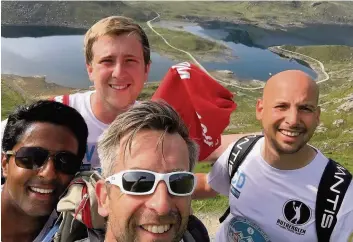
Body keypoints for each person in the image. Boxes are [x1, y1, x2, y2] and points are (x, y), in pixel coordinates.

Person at [193, 70, 353, 241]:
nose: (292, 120)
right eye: (281, 106)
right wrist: (165, 182)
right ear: (260, 110)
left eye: (305, 108)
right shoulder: (241, 151)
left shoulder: (340, 193)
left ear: (317, 116)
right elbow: (209, 185)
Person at [83, 100, 208, 242]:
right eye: (138, 182)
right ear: (104, 198)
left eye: (178, 182)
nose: (162, 206)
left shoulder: (196, 236)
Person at [1, 100, 88, 242]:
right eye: (33, 157)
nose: (48, 173)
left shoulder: (78, 232)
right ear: (5, 164)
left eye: (65, 162)